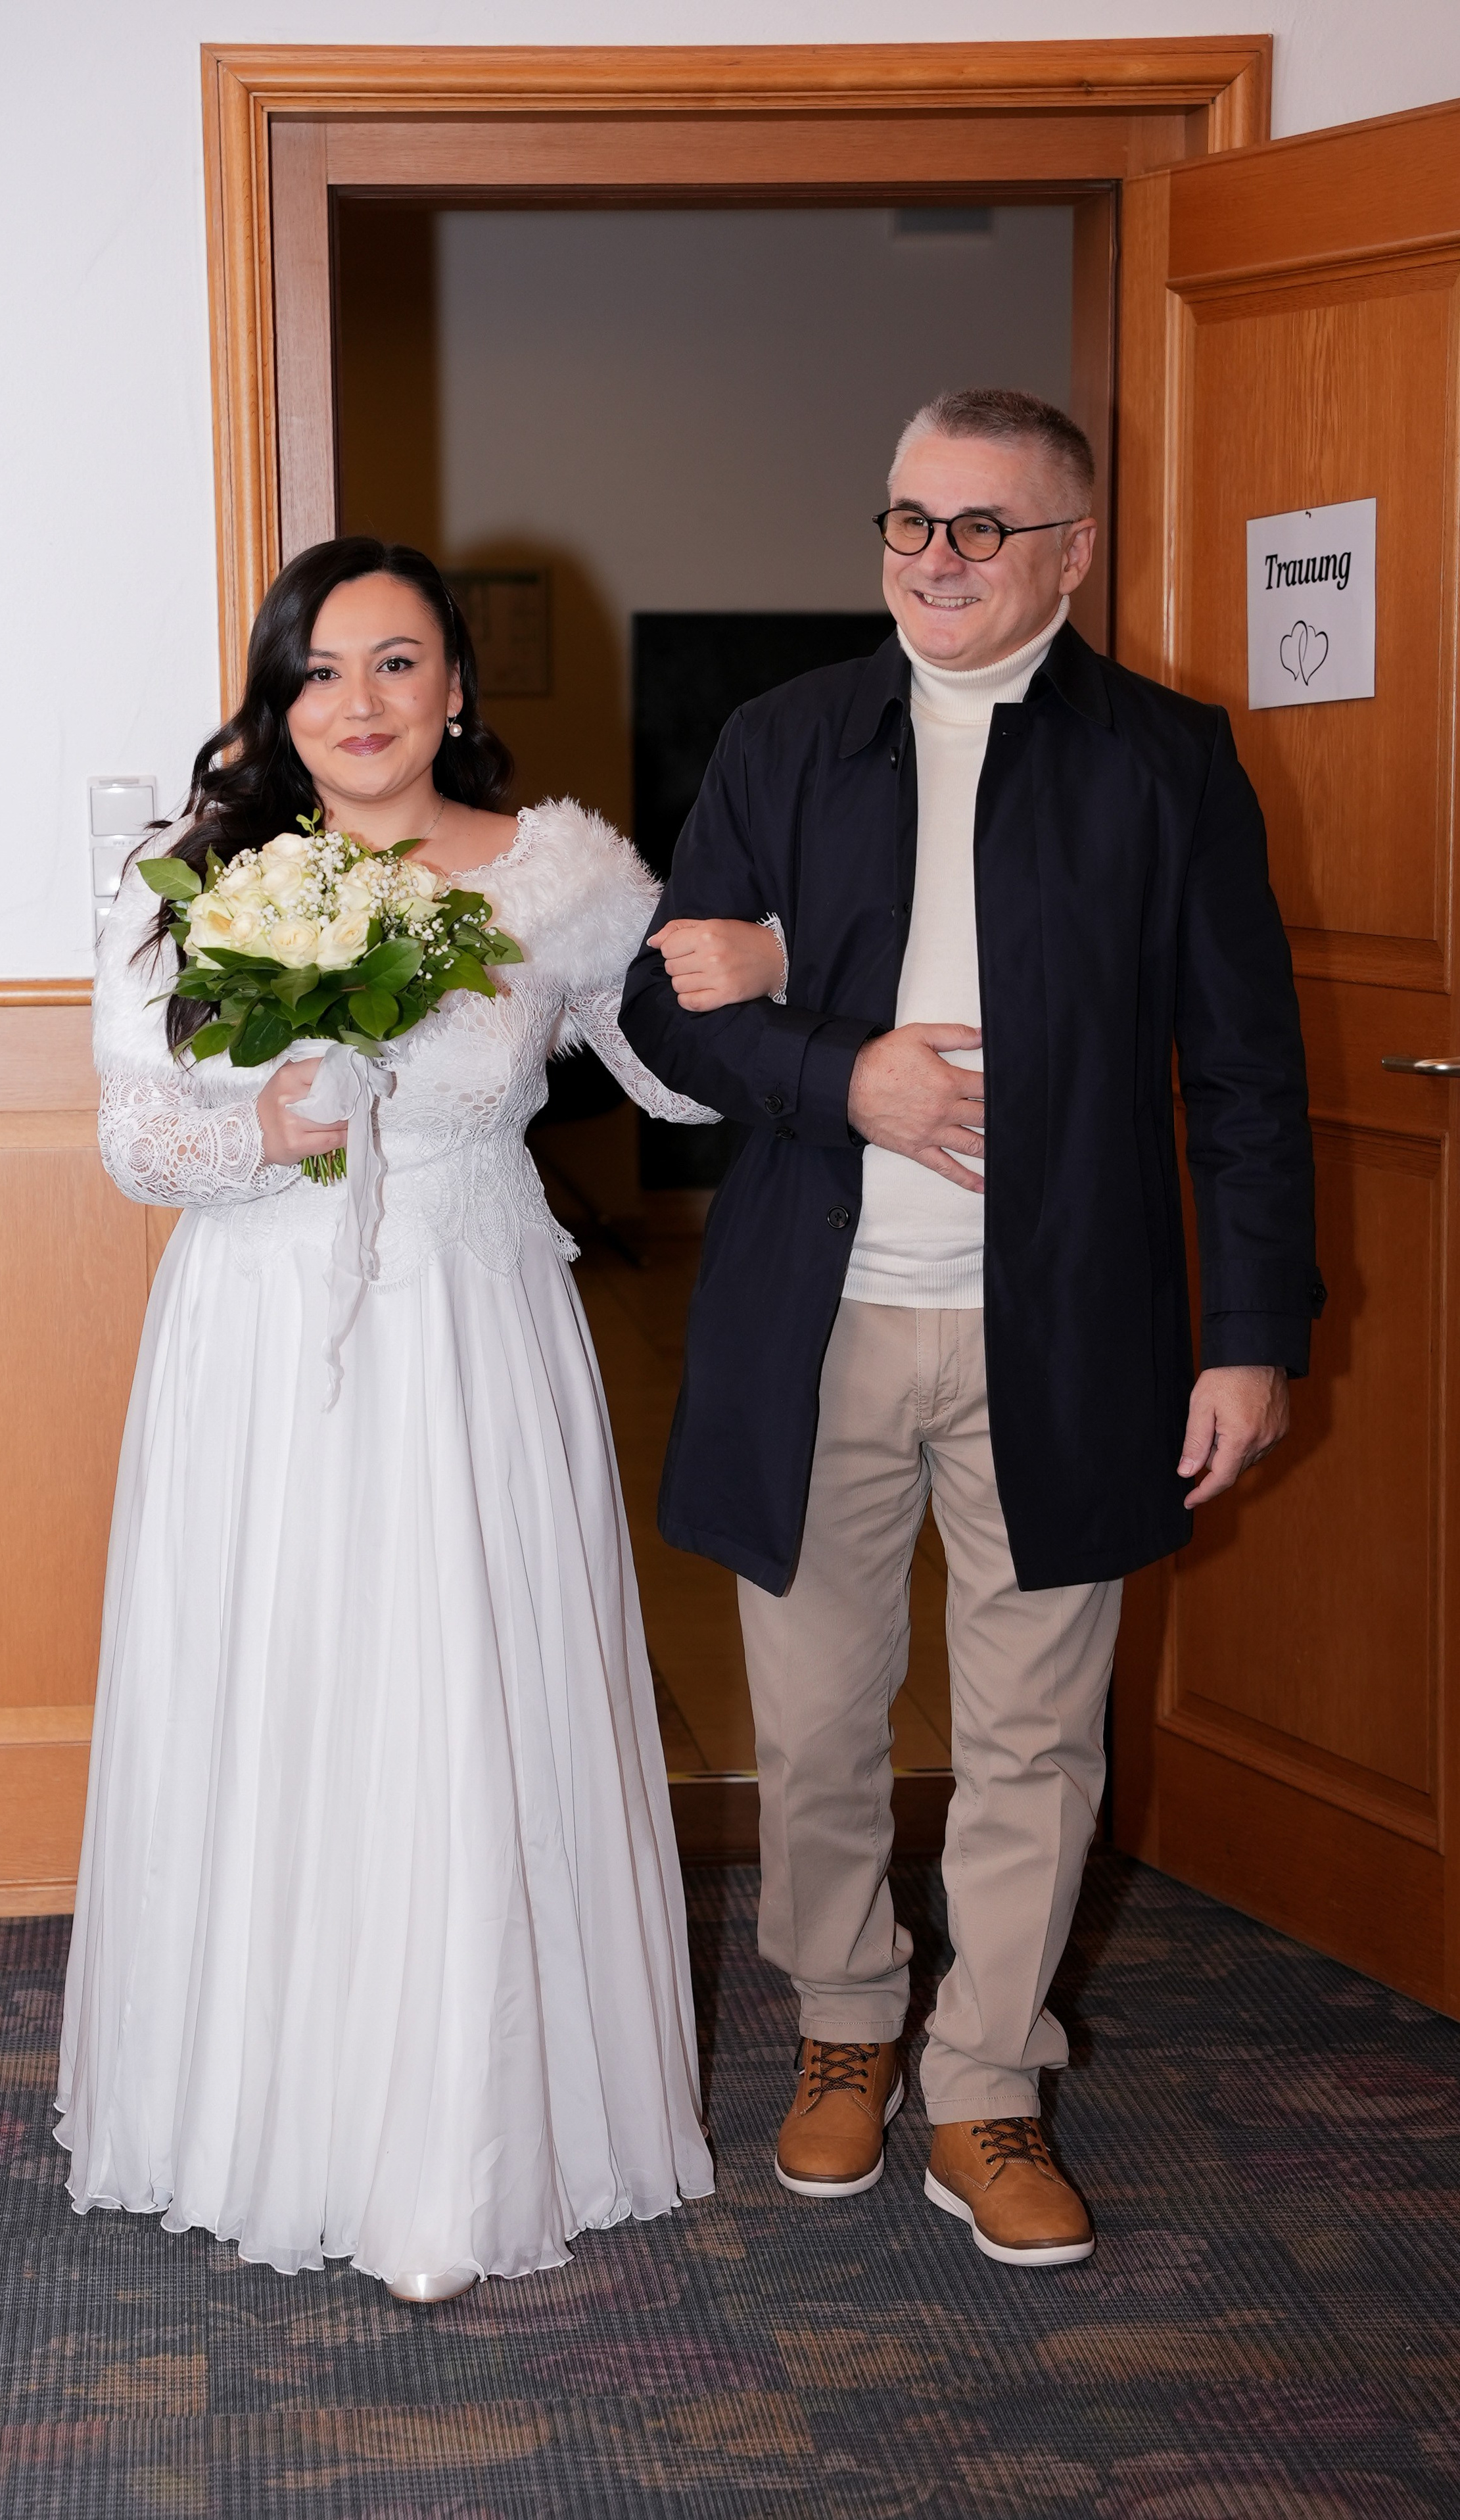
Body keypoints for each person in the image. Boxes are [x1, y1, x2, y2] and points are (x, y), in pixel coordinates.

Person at [619, 388, 1323, 2269]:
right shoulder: (785, 740)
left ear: (1075, 552)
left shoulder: (1167, 761)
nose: (935, 558)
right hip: (820, 1319)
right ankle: (847, 2027)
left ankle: (988, 2080)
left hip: (1071, 1330)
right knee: (821, 1719)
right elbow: (670, 1011)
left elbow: (1249, 1071)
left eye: (983, 528)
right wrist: (840, 1067)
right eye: (909, 521)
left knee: (1036, 1732)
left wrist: (1249, 1335)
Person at [58, 536, 768, 2302]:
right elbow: (139, 1142)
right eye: (319, 670)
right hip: (254, 1335)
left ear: (457, 689)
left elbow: (673, 1078)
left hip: (466, 1314)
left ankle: (457, 2137)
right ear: (276, 700)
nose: (357, 703)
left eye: (396, 664)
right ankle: (260, 2114)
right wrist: (280, 1130)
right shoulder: (192, 876)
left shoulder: (559, 876)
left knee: (461, 1691)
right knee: (280, 1685)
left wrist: (747, 962)